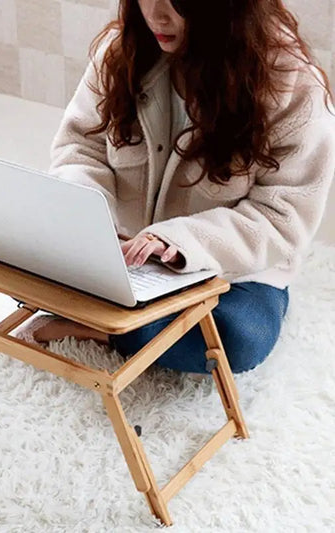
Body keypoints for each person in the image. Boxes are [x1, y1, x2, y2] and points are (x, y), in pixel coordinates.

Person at [17, 0, 335, 375]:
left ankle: (105, 329)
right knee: (13, 261)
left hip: (229, 273)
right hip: (125, 256)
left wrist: (178, 242)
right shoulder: (123, 52)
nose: (157, 15)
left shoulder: (292, 85)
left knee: (238, 338)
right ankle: (125, 318)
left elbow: (281, 219)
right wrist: (88, 219)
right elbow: (81, 147)